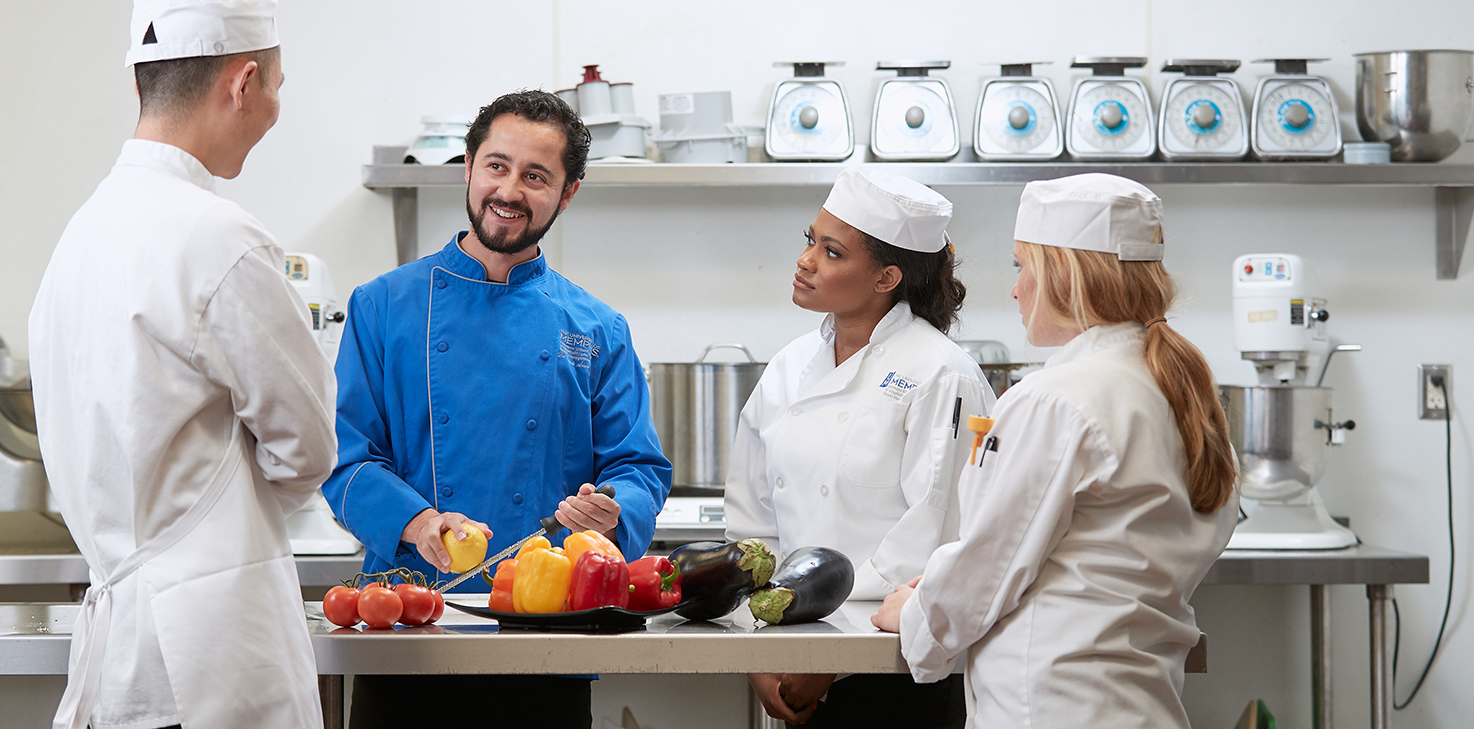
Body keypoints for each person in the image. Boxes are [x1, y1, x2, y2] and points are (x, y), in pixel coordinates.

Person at [28, 2, 334, 729]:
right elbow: (309, 448)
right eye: (278, 88)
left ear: (142, 86)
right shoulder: (220, 237)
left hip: (120, 658)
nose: (274, 108)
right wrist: (227, 515)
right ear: (244, 81)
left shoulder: (79, 236)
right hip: (208, 664)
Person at [323, 89, 671, 728]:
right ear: (468, 166)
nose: (509, 190)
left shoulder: (598, 326)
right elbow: (346, 460)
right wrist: (419, 523)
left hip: (548, 633)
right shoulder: (382, 307)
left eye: (536, 176)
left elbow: (639, 465)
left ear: (566, 194)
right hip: (408, 622)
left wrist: (613, 508)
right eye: (497, 166)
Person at [872, 173, 1239, 728]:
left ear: (1064, 275)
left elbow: (989, 567)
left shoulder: (1055, 400)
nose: (1015, 288)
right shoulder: (1179, 390)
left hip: (1052, 706)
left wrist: (917, 612)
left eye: (1023, 266)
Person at [723, 167, 993, 727]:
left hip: (894, 667)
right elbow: (751, 522)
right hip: (788, 655)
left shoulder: (942, 373)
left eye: (832, 252)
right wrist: (757, 650)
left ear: (886, 277)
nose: (806, 260)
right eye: (809, 241)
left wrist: (832, 656)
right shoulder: (790, 366)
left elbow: (936, 536)